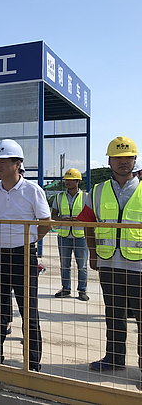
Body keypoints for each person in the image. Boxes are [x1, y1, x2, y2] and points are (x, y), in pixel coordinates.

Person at [0, 139, 51, 372]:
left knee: (28, 311)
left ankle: (32, 362)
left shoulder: (32, 190)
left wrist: (29, 241)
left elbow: (45, 223)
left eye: (3, 161)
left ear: (18, 164)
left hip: (23, 255)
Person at [77, 136, 142, 372]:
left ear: (135, 160)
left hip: (139, 266)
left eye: (128, 157)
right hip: (108, 264)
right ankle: (114, 358)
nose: (123, 162)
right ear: (109, 161)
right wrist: (92, 254)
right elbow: (88, 224)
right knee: (114, 314)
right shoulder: (97, 191)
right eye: (118, 157)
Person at [51, 168, 89, 301]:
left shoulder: (86, 197)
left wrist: (80, 219)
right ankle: (66, 289)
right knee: (64, 265)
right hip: (64, 235)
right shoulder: (59, 197)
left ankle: (82, 290)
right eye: (66, 180)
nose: (68, 182)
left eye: (71, 180)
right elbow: (53, 215)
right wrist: (63, 220)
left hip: (81, 236)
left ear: (78, 181)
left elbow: (91, 215)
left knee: (82, 266)